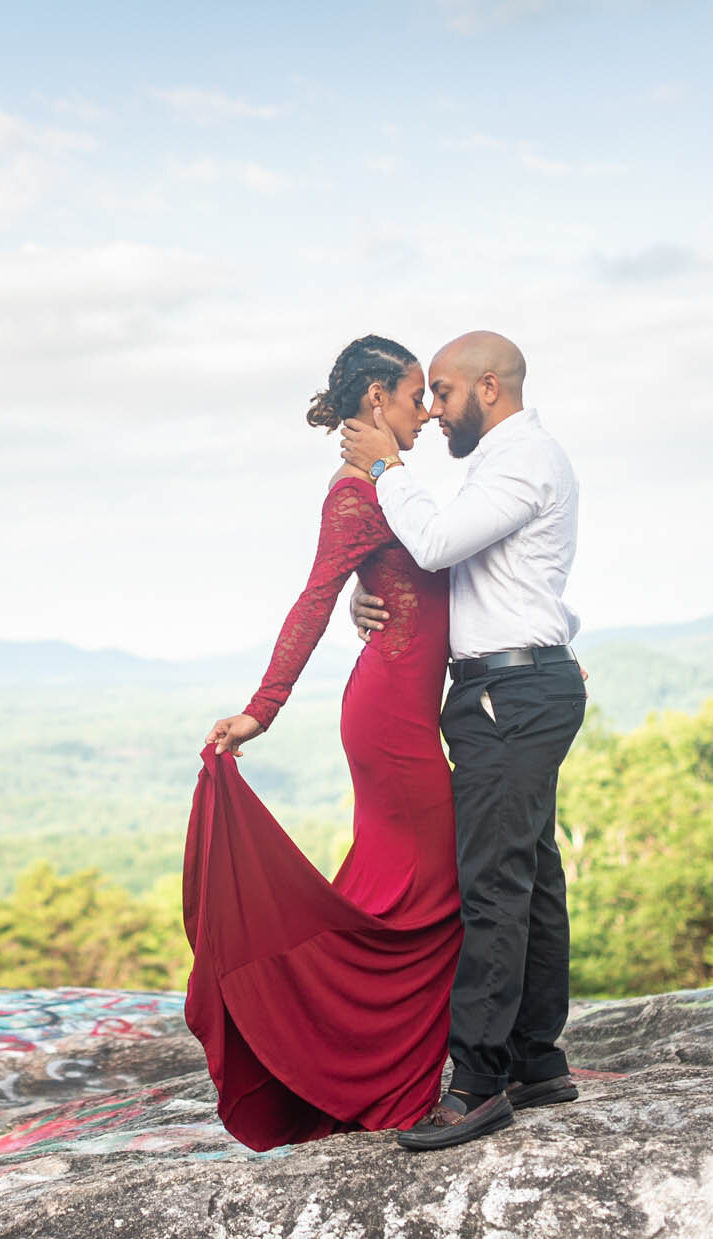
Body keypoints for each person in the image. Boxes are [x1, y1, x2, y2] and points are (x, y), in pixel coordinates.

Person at [185, 334, 462, 1151]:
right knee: (435, 895)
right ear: (376, 398)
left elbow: (439, 568)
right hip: (389, 718)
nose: (427, 412)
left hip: (402, 707)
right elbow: (314, 598)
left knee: (406, 895)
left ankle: (365, 1060)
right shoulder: (356, 492)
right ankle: (386, 1078)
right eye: (416, 395)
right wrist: (260, 710)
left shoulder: (388, 486)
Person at [338, 329, 585, 1152]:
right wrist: (365, 594)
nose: (434, 409)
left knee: (492, 883)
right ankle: (536, 1059)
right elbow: (451, 566)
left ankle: (477, 1083)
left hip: (511, 692)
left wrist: (385, 469)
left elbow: (439, 541)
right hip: (515, 687)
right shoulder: (507, 462)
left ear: (488, 387)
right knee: (532, 869)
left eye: (442, 392)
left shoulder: (522, 459)